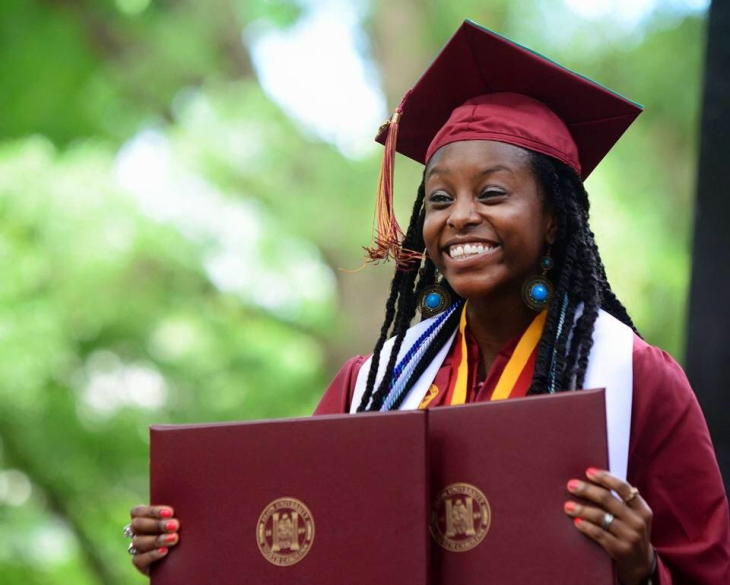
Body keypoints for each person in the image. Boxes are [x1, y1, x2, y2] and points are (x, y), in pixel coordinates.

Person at [125, 20, 730, 584]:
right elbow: (300, 549)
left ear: (553, 221)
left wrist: (643, 567)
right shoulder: (370, 387)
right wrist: (183, 547)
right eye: (439, 200)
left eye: (492, 192)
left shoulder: (634, 378)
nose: (461, 216)